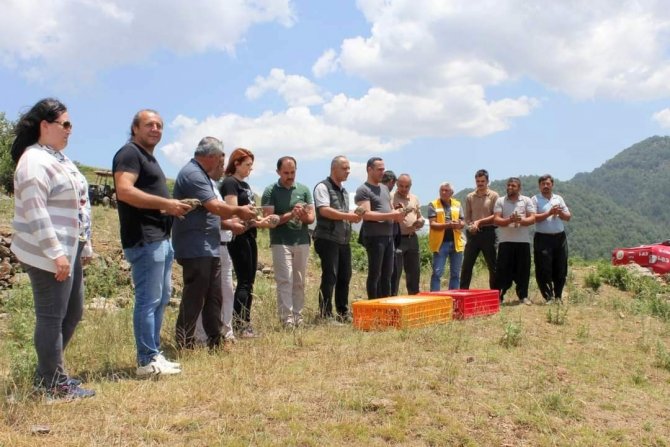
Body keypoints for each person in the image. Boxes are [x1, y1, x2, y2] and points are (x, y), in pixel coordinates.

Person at [10, 98, 95, 400]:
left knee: (71, 313)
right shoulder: (33, 160)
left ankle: (47, 376)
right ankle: (52, 384)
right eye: (65, 124)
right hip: (50, 253)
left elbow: (80, 206)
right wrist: (55, 253)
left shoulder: (59, 158)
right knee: (51, 316)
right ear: (45, 126)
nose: (70, 130)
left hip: (69, 249)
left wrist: (85, 247)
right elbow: (35, 211)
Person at [113, 109, 191, 377]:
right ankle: (146, 359)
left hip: (161, 238)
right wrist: (167, 203)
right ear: (135, 128)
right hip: (145, 239)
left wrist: (168, 209)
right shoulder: (130, 153)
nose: (156, 129)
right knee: (149, 299)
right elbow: (124, 191)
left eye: (159, 125)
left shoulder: (148, 157)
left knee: (161, 298)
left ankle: (154, 353)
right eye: (149, 124)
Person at [172, 137, 256, 349]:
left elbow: (212, 216)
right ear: (210, 156)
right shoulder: (192, 174)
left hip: (209, 245)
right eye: (220, 158)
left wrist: (230, 224)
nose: (222, 163)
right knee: (195, 296)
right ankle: (185, 343)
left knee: (213, 296)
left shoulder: (203, 176)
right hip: (195, 246)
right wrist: (239, 210)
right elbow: (214, 207)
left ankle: (214, 341)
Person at [221, 148, 276, 338]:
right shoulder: (230, 183)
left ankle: (244, 322)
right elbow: (232, 210)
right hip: (238, 236)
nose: (250, 170)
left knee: (249, 281)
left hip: (249, 234)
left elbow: (249, 214)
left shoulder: (245, 185)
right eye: (247, 165)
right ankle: (240, 324)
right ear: (236, 163)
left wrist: (261, 222)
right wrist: (249, 217)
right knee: (244, 281)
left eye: (251, 166)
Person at [261, 157, 315, 327]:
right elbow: (268, 219)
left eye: (292, 172)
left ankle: (298, 316)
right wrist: (291, 214)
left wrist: (302, 214)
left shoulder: (304, 190)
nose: (290, 176)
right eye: (286, 173)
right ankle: (287, 319)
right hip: (280, 241)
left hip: (302, 240)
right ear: (278, 172)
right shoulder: (270, 191)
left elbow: (311, 218)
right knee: (285, 280)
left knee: (299, 280)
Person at [313, 156, 361, 322]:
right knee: (330, 276)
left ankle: (342, 312)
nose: (348, 171)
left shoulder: (343, 191)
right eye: (345, 168)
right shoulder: (322, 187)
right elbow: (324, 210)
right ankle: (325, 314)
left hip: (343, 239)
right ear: (334, 169)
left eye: (349, 168)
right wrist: (348, 216)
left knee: (345, 276)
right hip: (327, 238)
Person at [355, 157, 404, 299]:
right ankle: (373, 305)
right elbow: (367, 214)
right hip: (375, 237)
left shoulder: (384, 188)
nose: (383, 172)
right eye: (379, 169)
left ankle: (386, 305)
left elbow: (388, 209)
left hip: (389, 236)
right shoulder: (363, 190)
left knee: (388, 274)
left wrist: (397, 212)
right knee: (375, 273)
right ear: (369, 169)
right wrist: (391, 214)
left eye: (383, 169)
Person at [493, 177, 536, 305]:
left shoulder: (526, 200)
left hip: (522, 242)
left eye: (513, 186)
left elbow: (532, 218)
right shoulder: (500, 201)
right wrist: (509, 220)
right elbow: (496, 220)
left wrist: (520, 221)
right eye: (509, 185)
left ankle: (523, 296)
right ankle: (499, 297)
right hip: (505, 242)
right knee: (502, 270)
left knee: (523, 270)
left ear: (519, 188)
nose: (510, 188)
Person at [532, 174, 571, 302]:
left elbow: (568, 217)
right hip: (542, 238)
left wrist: (559, 212)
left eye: (548, 184)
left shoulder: (558, 198)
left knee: (561, 266)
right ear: (539, 186)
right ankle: (548, 297)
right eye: (543, 184)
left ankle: (558, 296)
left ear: (552, 185)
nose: (545, 186)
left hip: (560, 238)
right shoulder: (535, 199)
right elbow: (532, 218)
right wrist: (548, 213)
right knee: (544, 267)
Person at [460, 169, 499, 290]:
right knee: (467, 265)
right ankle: (463, 293)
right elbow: (467, 217)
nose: (480, 183)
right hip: (473, 234)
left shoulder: (494, 196)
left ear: (488, 181)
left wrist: (479, 222)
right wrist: (471, 225)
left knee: (493, 266)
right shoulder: (469, 196)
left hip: (489, 233)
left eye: (482, 181)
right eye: (478, 181)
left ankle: (495, 294)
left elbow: (496, 216)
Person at [391, 174, 425, 295]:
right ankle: (392, 300)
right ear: (396, 184)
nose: (404, 188)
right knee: (395, 272)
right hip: (397, 239)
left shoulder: (415, 198)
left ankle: (414, 298)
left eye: (407, 186)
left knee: (414, 272)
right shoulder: (390, 197)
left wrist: (420, 222)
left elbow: (420, 217)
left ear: (410, 186)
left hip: (412, 239)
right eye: (401, 185)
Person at [428, 182, 465, 291]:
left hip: (456, 243)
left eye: (446, 190)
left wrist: (459, 224)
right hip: (440, 244)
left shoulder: (457, 204)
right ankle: (435, 299)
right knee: (437, 273)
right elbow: (432, 224)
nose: (443, 192)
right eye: (441, 190)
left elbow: (463, 222)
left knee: (456, 274)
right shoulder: (433, 204)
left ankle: (453, 299)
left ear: (452, 193)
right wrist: (448, 225)